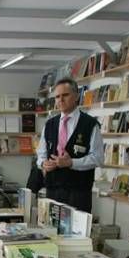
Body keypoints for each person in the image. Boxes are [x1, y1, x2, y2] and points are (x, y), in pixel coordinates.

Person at [36, 77, 103, 213]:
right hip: (53, 191)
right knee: (51, 233)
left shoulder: (90, 124)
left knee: (77, 234)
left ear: (76, 96)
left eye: (65, 95)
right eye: (57, 97)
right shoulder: (49, 124)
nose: (60, 100)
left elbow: (98, 158)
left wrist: (71, 163)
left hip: (79, 193)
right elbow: (41, 154)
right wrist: (43, 164)